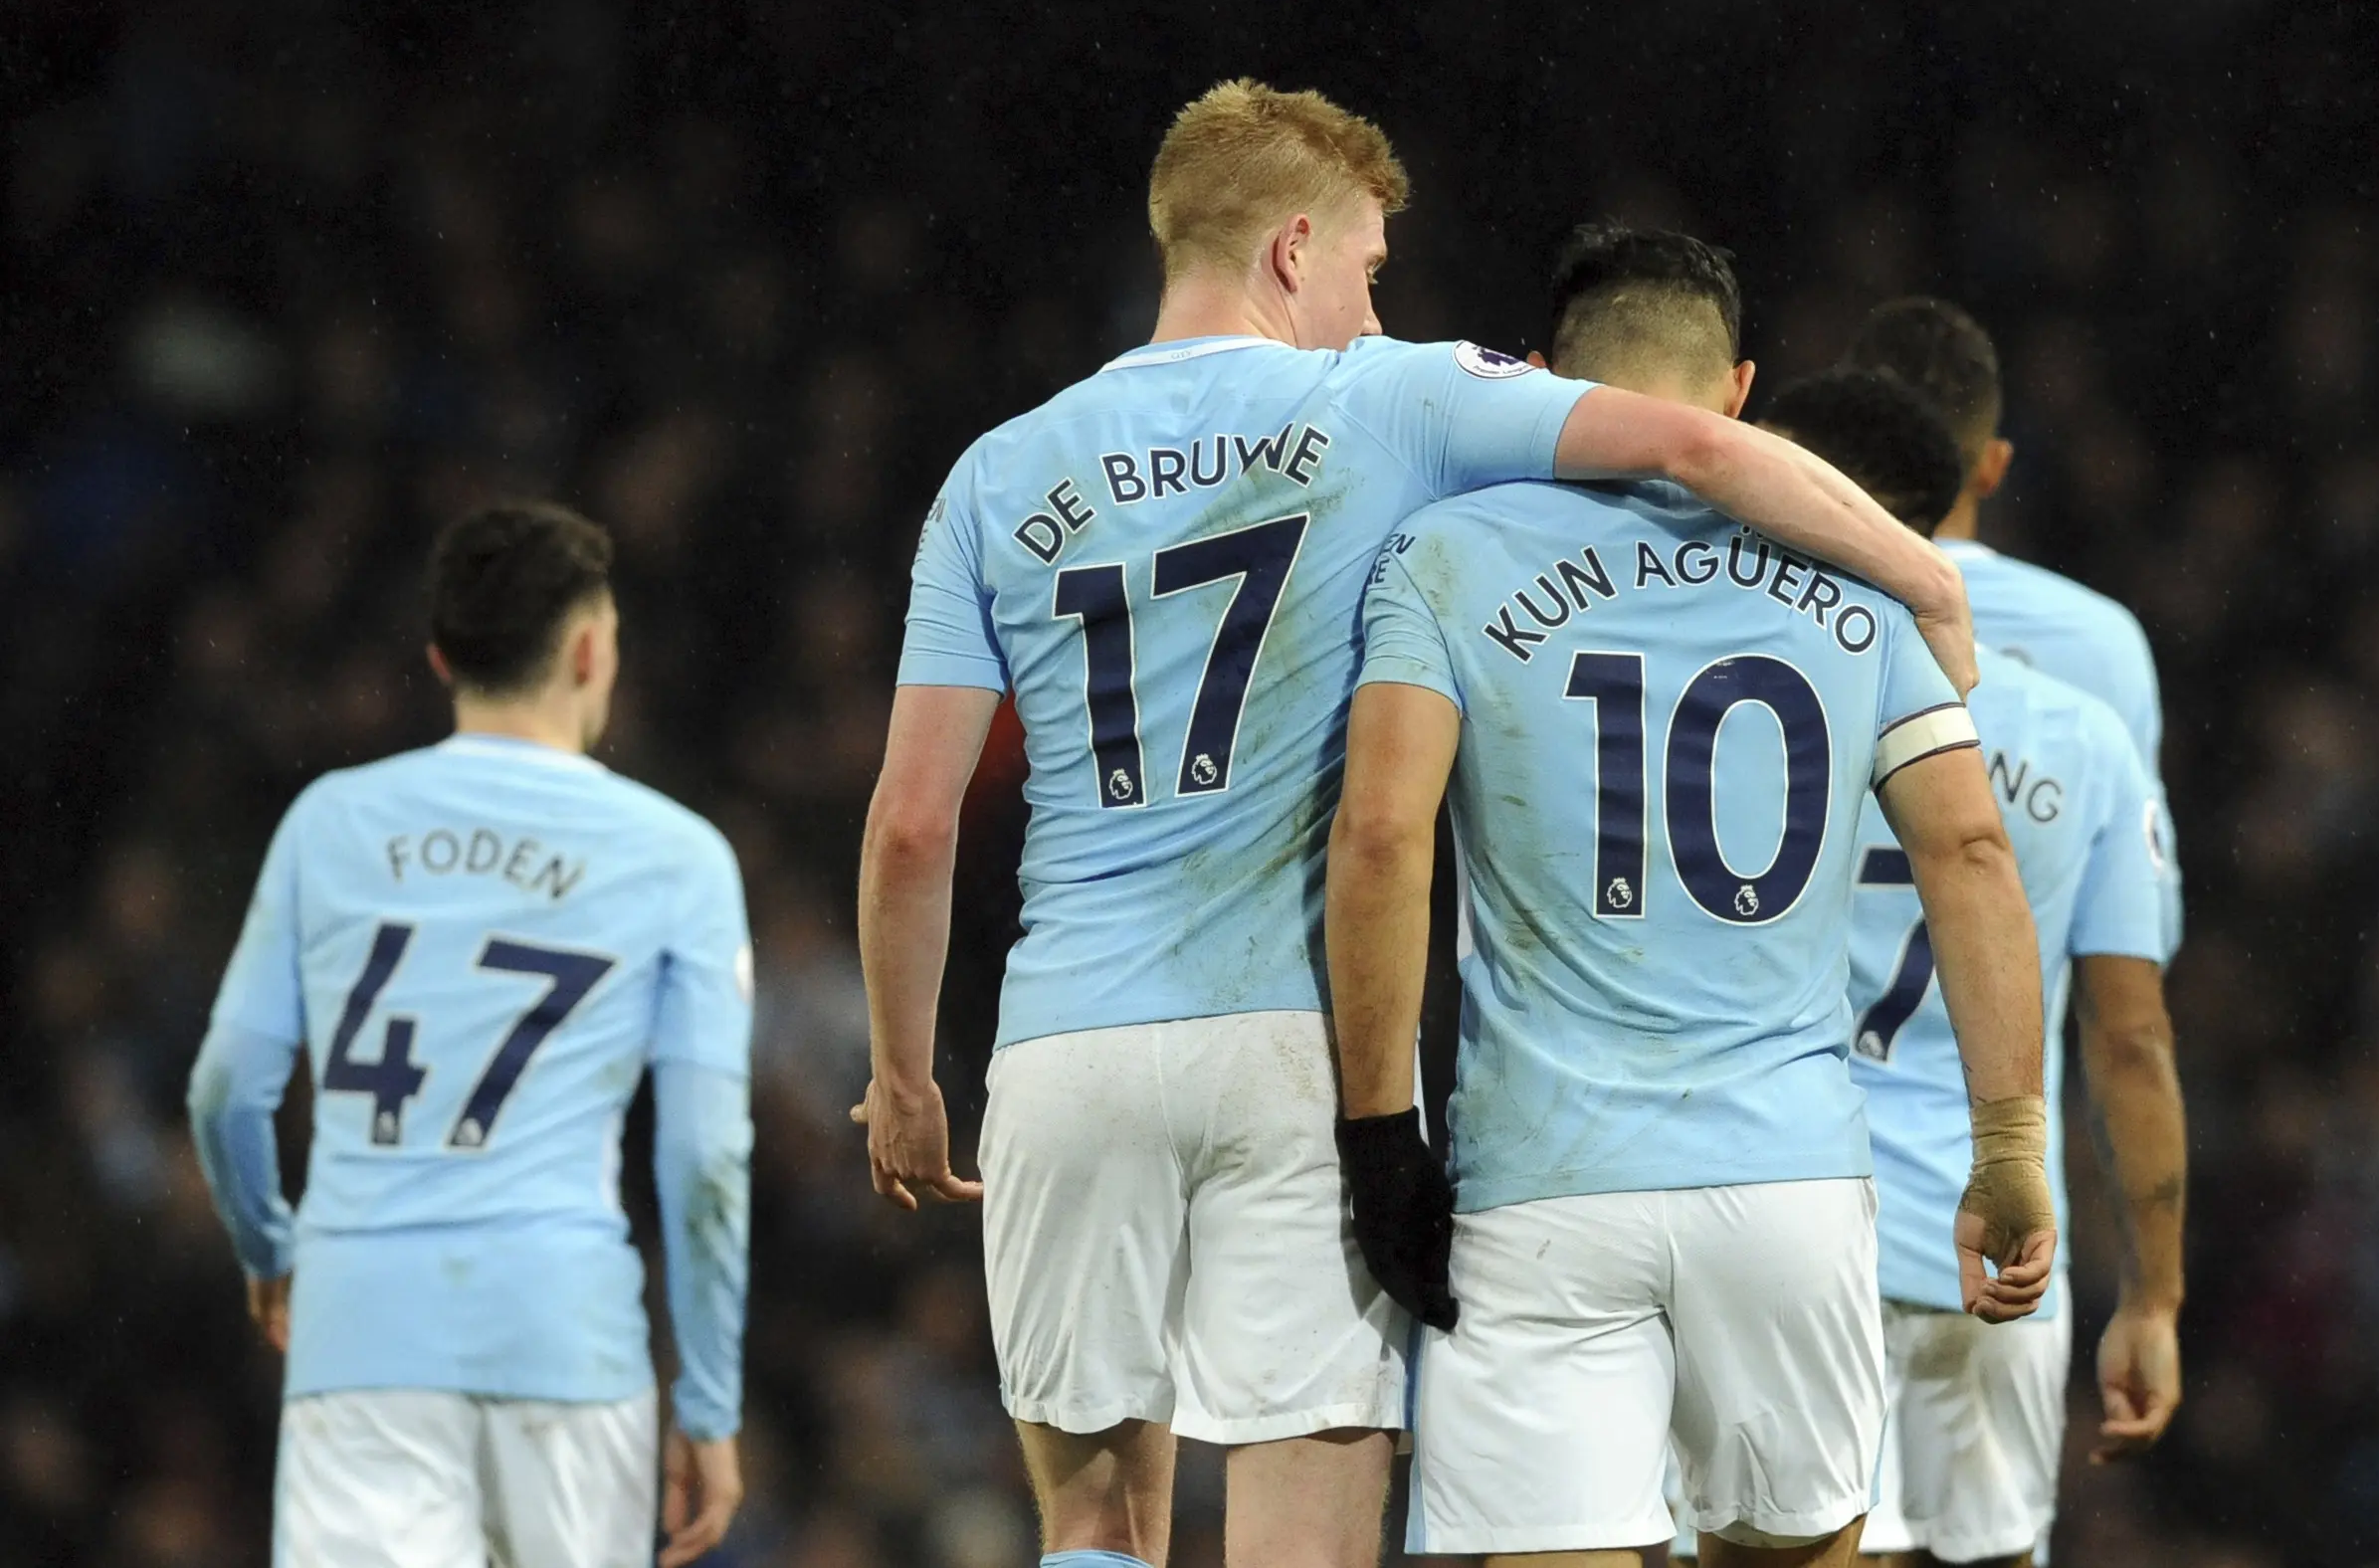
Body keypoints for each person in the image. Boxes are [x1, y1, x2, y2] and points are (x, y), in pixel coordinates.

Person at [854, 86, 1977, 1568]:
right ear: (1290, 248)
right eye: (1368, 269)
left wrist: (902, 1070)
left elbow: (912, 831)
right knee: (1304, 1522)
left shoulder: (993, 476)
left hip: (1063, 1045)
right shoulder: (1388, 397)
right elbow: (1698, 451)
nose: (1374, 304)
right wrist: (1928, 579)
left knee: (1088, 1517)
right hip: (1286, 1041)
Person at [1324, 227, 2054, 1567]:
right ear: (1738, 394)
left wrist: (1379, 1136)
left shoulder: (1445, 555)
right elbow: (1968, 856)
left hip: (1541, 1182)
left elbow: (1378, 838)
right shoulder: (1862, 575)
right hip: (1784, 1181)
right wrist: (2006, 1142)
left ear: (1542, 381)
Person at [186, 500, 753, 1568]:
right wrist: (710, 1401)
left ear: (442, 656)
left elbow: (227, 1087)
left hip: (360, 1333)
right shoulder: (680, 858)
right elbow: (705, 1160)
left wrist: (269, 1247)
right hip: (565, 1334)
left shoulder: (328, 822)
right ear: (589, 651)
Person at [1761, 370, 2187, 1568]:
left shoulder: (1757, 698)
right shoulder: (2076, 727)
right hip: (1999, 1231)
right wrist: (2151, 1298)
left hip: (1793, 1208)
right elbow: (2132, 1037)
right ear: (1975, 472)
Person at [1843, 296, 2183, 957]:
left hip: (1798, 1056)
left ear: (1839, 446)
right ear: (1994, 466)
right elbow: (2136, 929)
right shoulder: (2101, 642)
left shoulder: (1787, 600)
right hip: (2002, 1055)